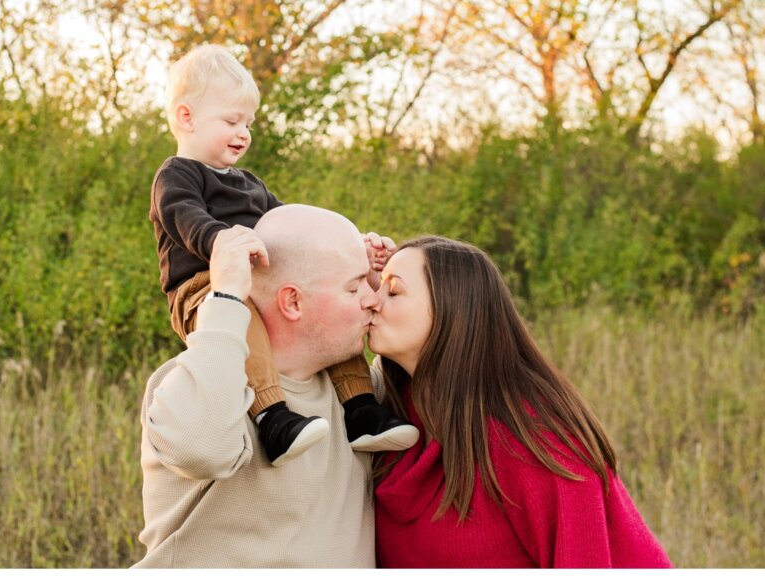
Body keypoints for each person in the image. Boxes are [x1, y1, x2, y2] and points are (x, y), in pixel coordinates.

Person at [148, 44, 416, 465]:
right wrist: (224, 243)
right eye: (231, 120)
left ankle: (361, 408)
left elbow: (295, 228)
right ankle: (273, 415)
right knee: (244, 322)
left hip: (258, 280)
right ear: (187, 117)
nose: (243, 133)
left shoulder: (250, 182)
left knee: (333, 314)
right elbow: (185, 219)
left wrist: (351, 250)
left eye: (248, 123)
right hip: (205, 289)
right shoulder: (177, 175)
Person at [368, 236, 673, 568]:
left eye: (393, 291)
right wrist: (355, 265)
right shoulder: (393, 412)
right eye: (375, 288)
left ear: (452, 309)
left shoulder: (533, 436)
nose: (371, 300)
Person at [136, 205, 398, 568]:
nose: (371, 300)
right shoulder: (193, 385)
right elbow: (202, 450)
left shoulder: (365, 398)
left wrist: (398, 280)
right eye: (354, 287)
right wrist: (226, 298)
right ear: (292, 302)